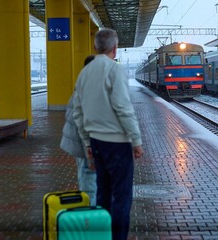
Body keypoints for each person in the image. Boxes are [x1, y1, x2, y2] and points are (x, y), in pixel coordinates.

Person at [73, 28, 143, 240]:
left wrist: (87, 144)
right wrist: (136, 140)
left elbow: (78, 111)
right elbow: (123, 107)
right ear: (115, 48)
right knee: (122, 196)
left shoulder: (84, 72)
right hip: (118, 144)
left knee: (103, 194)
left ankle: (102, 236)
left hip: (96, 142)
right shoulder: (115, 69)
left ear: (95, 47)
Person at [60, 54, 97, 205]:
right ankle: (91, 222)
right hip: (86, 147)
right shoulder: (90, 91)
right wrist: (90, 151)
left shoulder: (84, 85)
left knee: (90, 184)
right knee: (90, 188)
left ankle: (92, 217)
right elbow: (85, 124)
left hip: (82, 145)